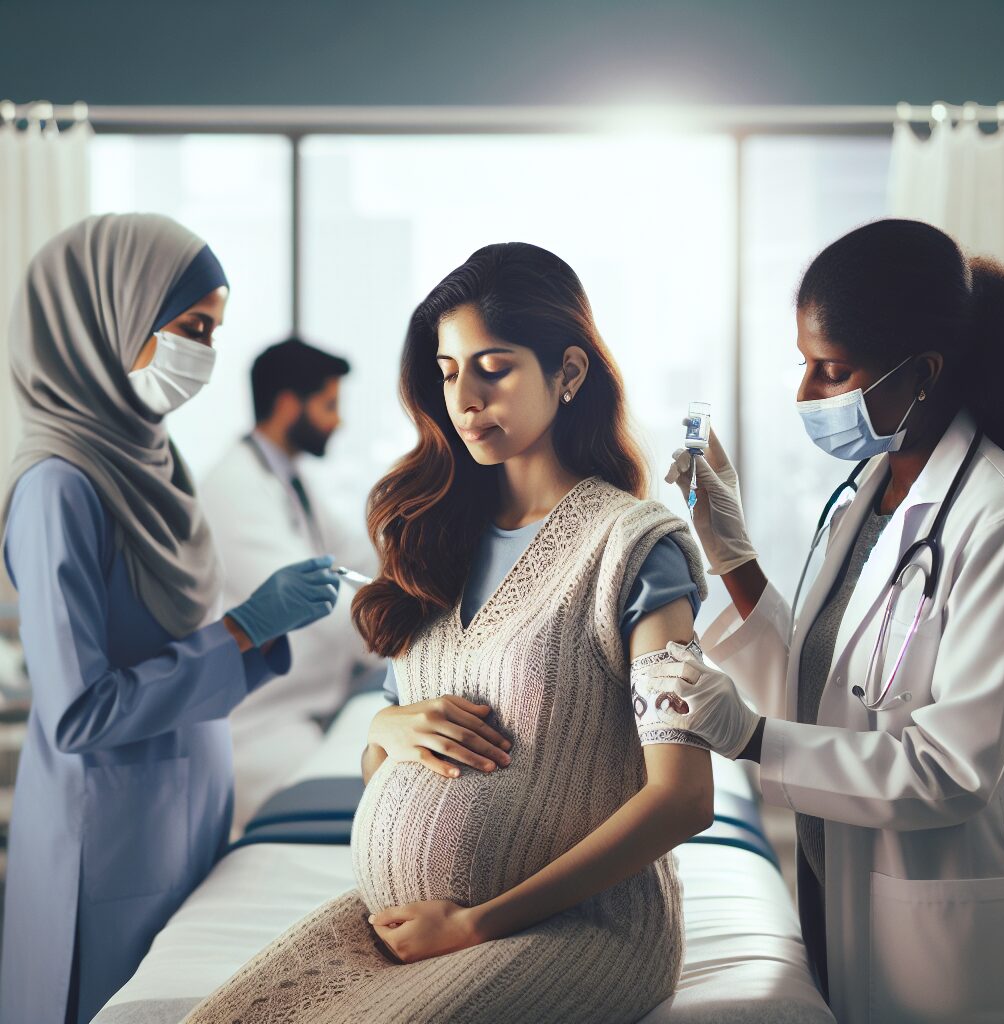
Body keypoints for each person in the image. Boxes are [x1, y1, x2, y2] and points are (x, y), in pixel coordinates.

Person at [183, 242, 713, 1024]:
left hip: (570, 927)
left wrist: (473, 923)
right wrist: (384, 728)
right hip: (412, 927)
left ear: (568, 374)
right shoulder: (434, 540)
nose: (464, 396)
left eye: (493, 367)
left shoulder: (634, 547)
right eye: (447, 369)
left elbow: (683, 799)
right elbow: (387, 766)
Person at [662, 219, 1004, 1023]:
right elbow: (827, 683)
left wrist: (754, 738)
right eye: (805, 365)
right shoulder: (866, 492)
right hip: (837, 887)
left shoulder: (999, 519)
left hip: (935, 926)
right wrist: (731, 553)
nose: (806, 396)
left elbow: (952, 770)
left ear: (924, 373)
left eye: (834, 371)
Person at [0, 214, 341, 1024]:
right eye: (191, 329)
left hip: (185, 811)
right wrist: (241, 630)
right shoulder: (59, 487)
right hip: (107, 838)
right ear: (107, 318)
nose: (205, 357)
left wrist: (252, 633)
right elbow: (81, 711)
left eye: (214, 332)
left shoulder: (152, 459)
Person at [201, 337, 379, 831]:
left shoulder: (289, 478)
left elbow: (357, 555)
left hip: (308, 711)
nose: (338, 421)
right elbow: (317, 601)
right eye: (329, 405)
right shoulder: (235, 488)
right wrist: (410, 646)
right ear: (287, 405)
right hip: (259, 726)